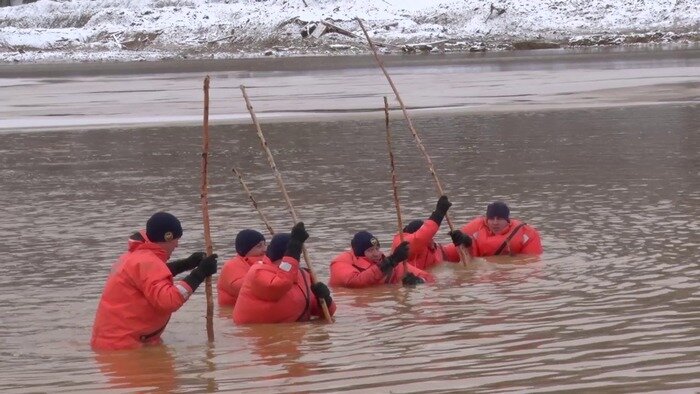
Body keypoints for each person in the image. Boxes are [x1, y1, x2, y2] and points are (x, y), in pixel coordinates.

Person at [91, 212, 218, 350]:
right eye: (176, 239)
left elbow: (153, 276)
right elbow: (169, 301)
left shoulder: (135, 256)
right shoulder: (147, 262)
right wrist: (199, 274)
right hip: (125, 347)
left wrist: (187, 263)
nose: (177, 245)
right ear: (167, 238)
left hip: (113, 341)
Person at [233, 222, 337, 324]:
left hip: (295, 331)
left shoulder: (303, 274)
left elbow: (321, 313)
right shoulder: (257, 272)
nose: (298, 259)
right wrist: (295, 246)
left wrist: (325, 300)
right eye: (296, 254)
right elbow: (277, 286)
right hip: (262, 335)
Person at [329, 230, 435, 287]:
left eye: (377, 248)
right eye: (370, 250)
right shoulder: (341, 262)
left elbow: (428, 277)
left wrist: (419, 281)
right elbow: (355, 282)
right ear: (360, 254)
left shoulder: (389, 263)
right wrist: (391, 261)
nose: (376, 254)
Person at [444, 201, 543, 258]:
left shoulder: (527, 233)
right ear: (487, 219)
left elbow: (532, 263)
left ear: (507, 220)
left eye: (499, 219)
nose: (495, 222)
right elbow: (449, 252)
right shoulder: (476, 227)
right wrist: (464, 242)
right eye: (491, 218)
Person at [390, 195, 455, 271]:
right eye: (429, 236)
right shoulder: (401, 246)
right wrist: (439, 213)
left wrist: (463, 241)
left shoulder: (435, 249)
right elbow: (418, 239)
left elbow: (451, 252)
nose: (431, 239)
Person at [217, 229, 267, 307]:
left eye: (265, 244)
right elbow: (243, 288)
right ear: (246, 249)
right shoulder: (231, 265)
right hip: (232, 314)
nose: (265, 249)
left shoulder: (265, 262)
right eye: (259, 246)